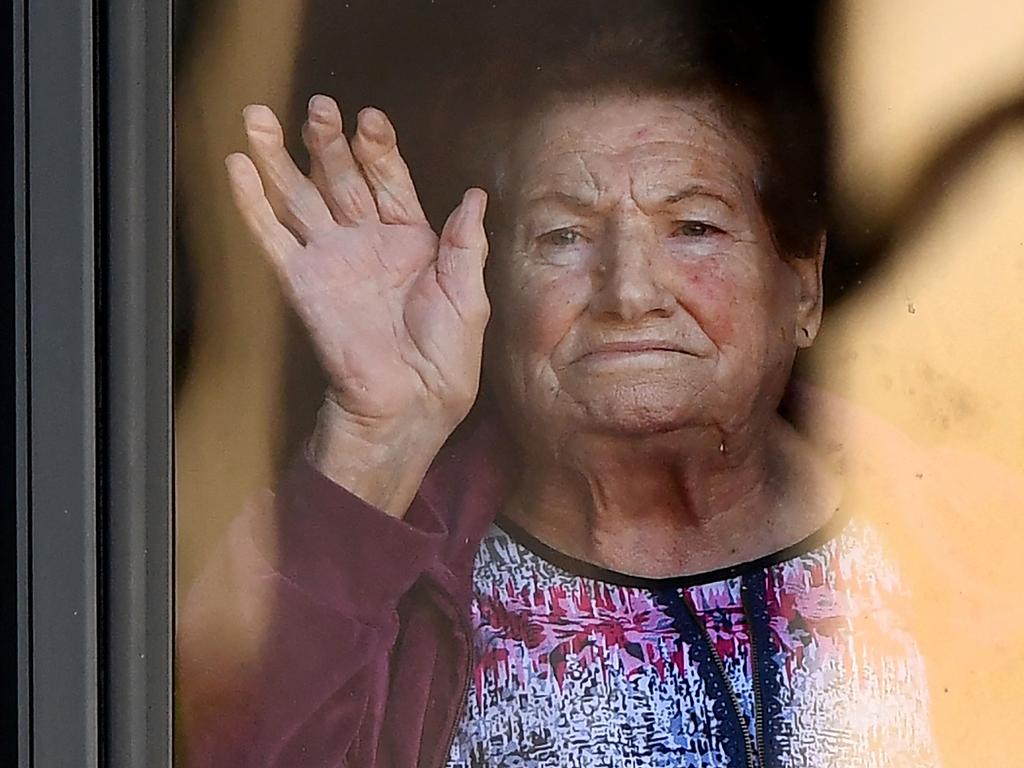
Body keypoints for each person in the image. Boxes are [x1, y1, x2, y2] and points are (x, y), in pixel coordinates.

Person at [180, 6, 939, 766]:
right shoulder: (401, 586)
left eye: (694, 227)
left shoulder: (953, 539)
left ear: (802, 290)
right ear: (494, 291)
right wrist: (375, 441)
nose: (630, 292)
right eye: (563, 236)